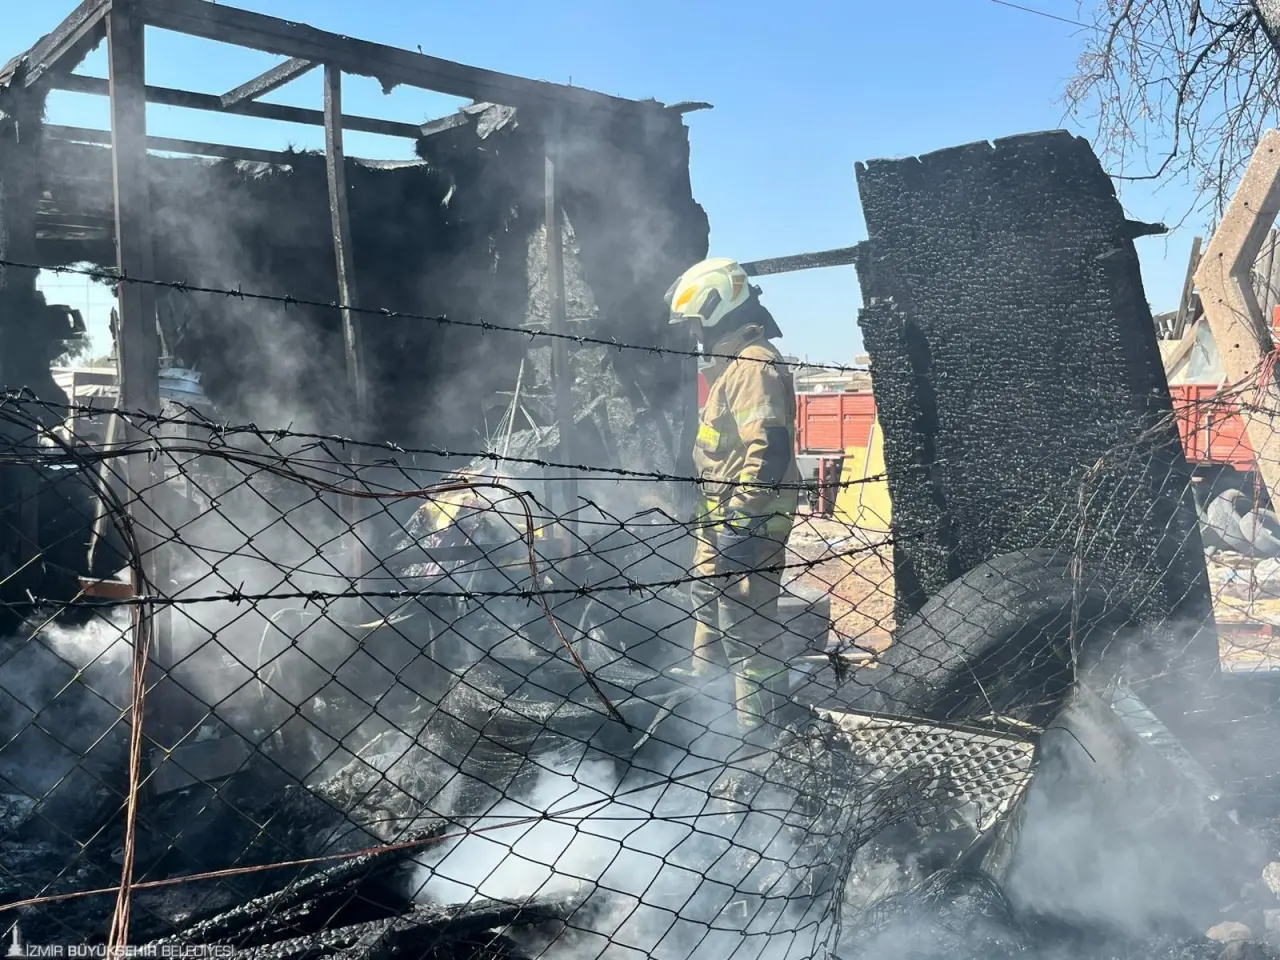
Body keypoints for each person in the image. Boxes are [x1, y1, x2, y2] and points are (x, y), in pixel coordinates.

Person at [664, 257, 799, 735]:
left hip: (751, 521)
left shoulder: (752, 365)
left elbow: (768, 446)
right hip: (723, 520)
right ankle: (704, 715)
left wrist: (741, 521)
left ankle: (759, 735)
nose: (694, 333)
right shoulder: (731, 366)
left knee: (748, 631)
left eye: (697, 321)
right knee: (708, 605)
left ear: (718, 308)